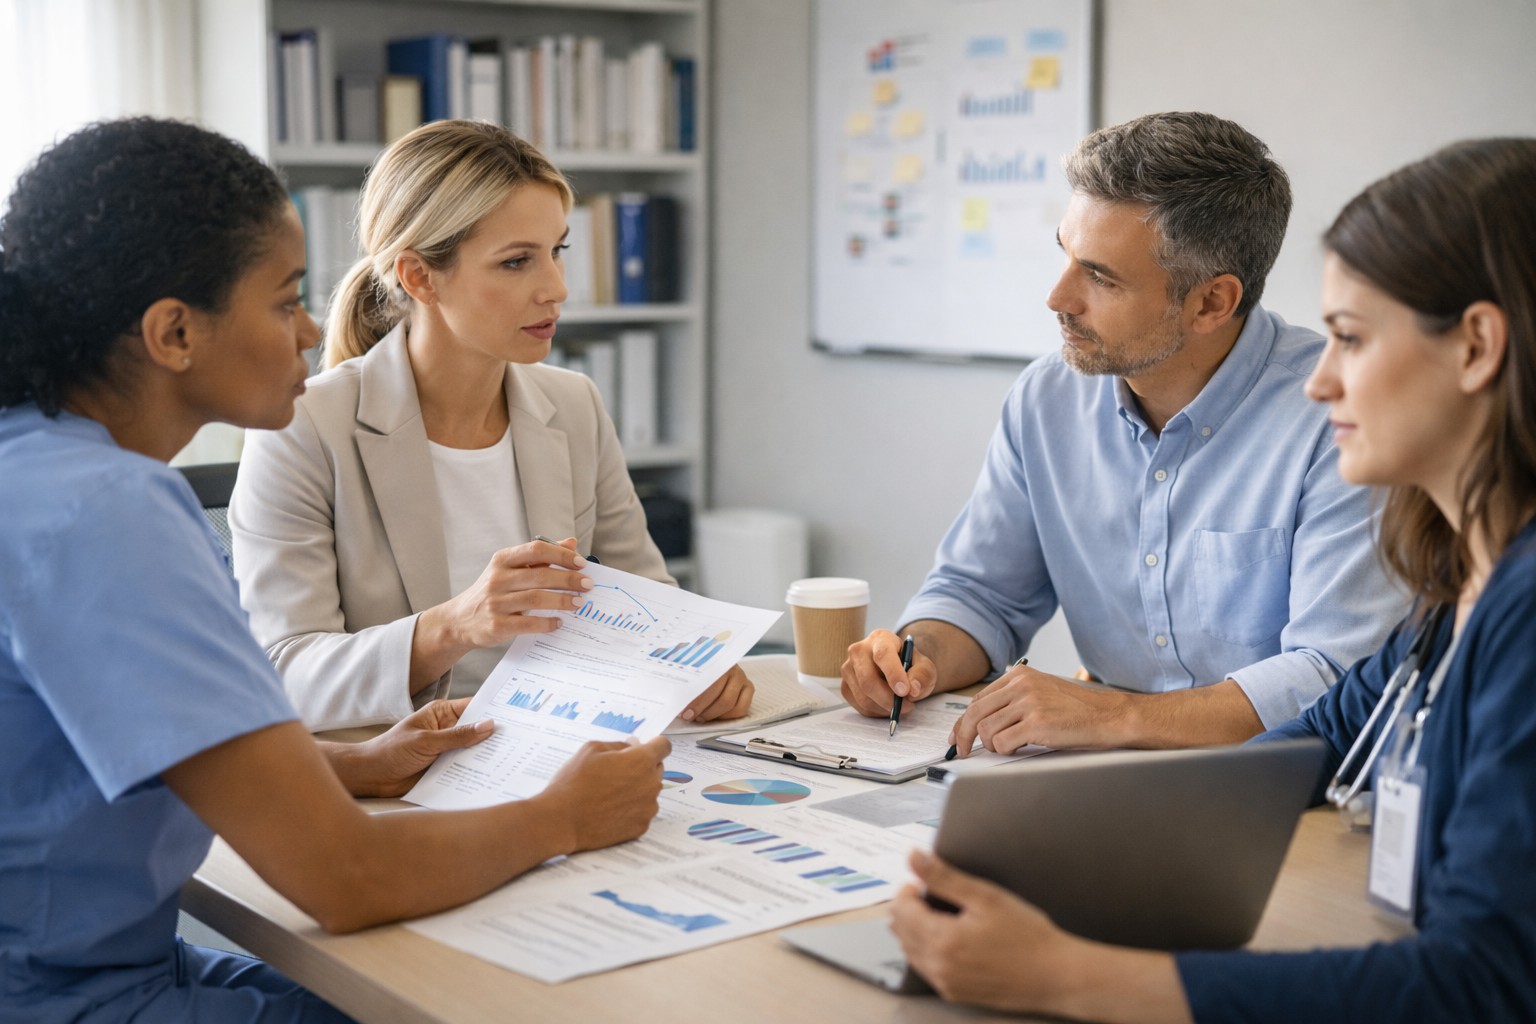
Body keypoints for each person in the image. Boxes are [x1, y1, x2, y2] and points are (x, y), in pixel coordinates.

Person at [0, 117, 670, 1022]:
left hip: (108, 963)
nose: (314, 329)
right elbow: (345, 878)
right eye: (283, 303)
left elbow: (134, 746)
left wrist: (357, 767)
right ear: (173, 334)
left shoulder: (40, 468)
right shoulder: (109, 512)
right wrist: (566, 818)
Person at [888, 137, 1536, 1022]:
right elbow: (1321, 739)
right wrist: (1062, 845)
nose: (1322, 381)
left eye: (1350, 338)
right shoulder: (1460, 590)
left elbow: (1480, 987)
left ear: (1476, 349)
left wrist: (1061, 974)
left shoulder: (1525, 614)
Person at [842, 111, 1404, 751]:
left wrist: (1112, 718)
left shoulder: (1340, 418)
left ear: (1212, 303)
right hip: (1101, 776)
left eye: (1101, 277)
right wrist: (918, 658)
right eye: (1065, 255)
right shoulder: (1045, 398)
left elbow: (1335, 676)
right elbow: (981, 594)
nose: (1058, 298)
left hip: (1282, 786)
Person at [230, 119, 751, 731]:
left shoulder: (574, 404)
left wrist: (695, 663)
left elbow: (653, 604)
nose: (556, 288)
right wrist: (455, 625)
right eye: (515, 263)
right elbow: (284, 673)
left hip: (565, 745)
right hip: (401, 774)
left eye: (557, 251)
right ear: (419, 276)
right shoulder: (303, 427)